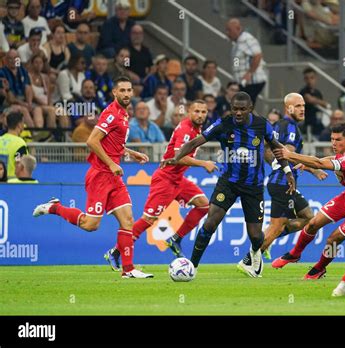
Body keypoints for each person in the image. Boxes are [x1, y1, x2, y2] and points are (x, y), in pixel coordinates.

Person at [163, 92, 296, 278]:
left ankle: (253, 257)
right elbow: (196, 141)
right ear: (231, 109)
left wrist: (287, 171)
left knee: (256, 236)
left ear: (250, 109)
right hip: (228, 183)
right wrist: (176, 158)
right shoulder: (223, 123)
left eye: (242, 109)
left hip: (254, 186)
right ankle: (192, 266)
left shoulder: (261, 124)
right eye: (235, 109)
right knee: (210, 222)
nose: (238, 113)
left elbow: (275, 147)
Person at [32, 76, 153, 279]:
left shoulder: (124, 114)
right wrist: (112, 163)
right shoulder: (111, 113)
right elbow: (92, 141)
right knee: (90, 225)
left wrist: (131, 153)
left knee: (128, 220)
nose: (126, 94)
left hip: (113, 177)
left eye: (129, 90)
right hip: (100, 176)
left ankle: (128, 270)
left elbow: (112, 143)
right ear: (114, 92)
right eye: (121, 90)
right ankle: (54, 207)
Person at [104, 100, 218, 269]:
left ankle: (175, 239)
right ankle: (115, 252)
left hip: (178, 179)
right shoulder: (186, 129)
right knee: (148, 219)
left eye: (203, 112)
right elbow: (180, 156)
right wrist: (204, 163)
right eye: (197, 111)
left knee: (203, 206)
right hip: (165, 179)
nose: (200, 115)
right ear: (188, 112)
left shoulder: (196, 128)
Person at [271, 123, 345, 283]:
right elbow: (329, 159)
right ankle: (295, 254)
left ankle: (319, 269)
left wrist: (290, 155)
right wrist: (307, 164)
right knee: (313, 223)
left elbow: (321, 164)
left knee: (332, 240)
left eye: (338, 140)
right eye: (332, 139)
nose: (334, 143)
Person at [237, 93, 327, 274]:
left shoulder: (278, 126)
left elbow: (268, 149)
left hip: (279, 181)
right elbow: (290, 154)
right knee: (285, 224)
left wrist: (278, 164)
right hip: (283, 183)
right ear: (289, 108)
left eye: (303, 106)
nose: (303, 109)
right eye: (299, 106)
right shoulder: (291, 127)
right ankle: (249, 259)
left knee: (306, 219)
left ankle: (267, 241)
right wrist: (313, 168)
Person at [225, 18, 267, 105]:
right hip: (243, 83)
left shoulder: (247, 39)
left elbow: (257, 55)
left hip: (252, 82)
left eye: (229, 30)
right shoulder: (237, 44)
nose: (227, 33)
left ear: (238, 28)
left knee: (244, 106)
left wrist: (249, 73)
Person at [0, 111, 28, 178]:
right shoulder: (20, 143)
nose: (24, 125)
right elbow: (19, 163)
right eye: (23, 123)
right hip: (11, 183)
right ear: (19, 125)